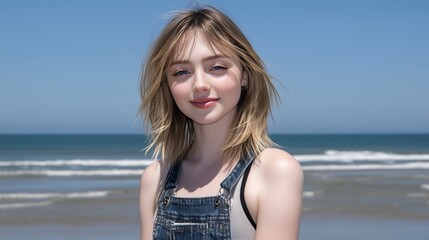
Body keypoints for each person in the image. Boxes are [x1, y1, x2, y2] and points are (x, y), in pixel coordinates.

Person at [139, 5, 302, 240]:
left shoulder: (274, 171)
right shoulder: (154, 178)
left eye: (217, 67)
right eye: (181, 72)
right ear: (168, 85)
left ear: (245, 74)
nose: (199, 84)